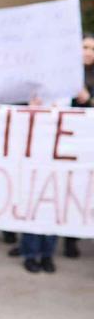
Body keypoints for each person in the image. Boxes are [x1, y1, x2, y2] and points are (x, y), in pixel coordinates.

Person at [63, 33, 94, 258]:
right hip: (67, 140)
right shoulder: (65, 73)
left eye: (92, 49)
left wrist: (88, 99)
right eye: (84, 47)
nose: (88, 52)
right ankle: (69, 240)